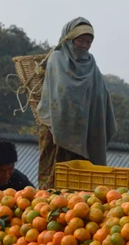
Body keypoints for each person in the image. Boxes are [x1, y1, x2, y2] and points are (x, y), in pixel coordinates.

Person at [36, 17, 117, 189]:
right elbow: (62, 91)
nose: (84, 45)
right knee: (55, 172)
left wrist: (94, 110)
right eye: (81, 40)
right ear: (69, 38)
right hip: (55, 124)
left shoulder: (90, 61)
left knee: (79, 176)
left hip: (84, 126)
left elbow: (99, 91)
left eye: (89, 41)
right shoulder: (57, 58)